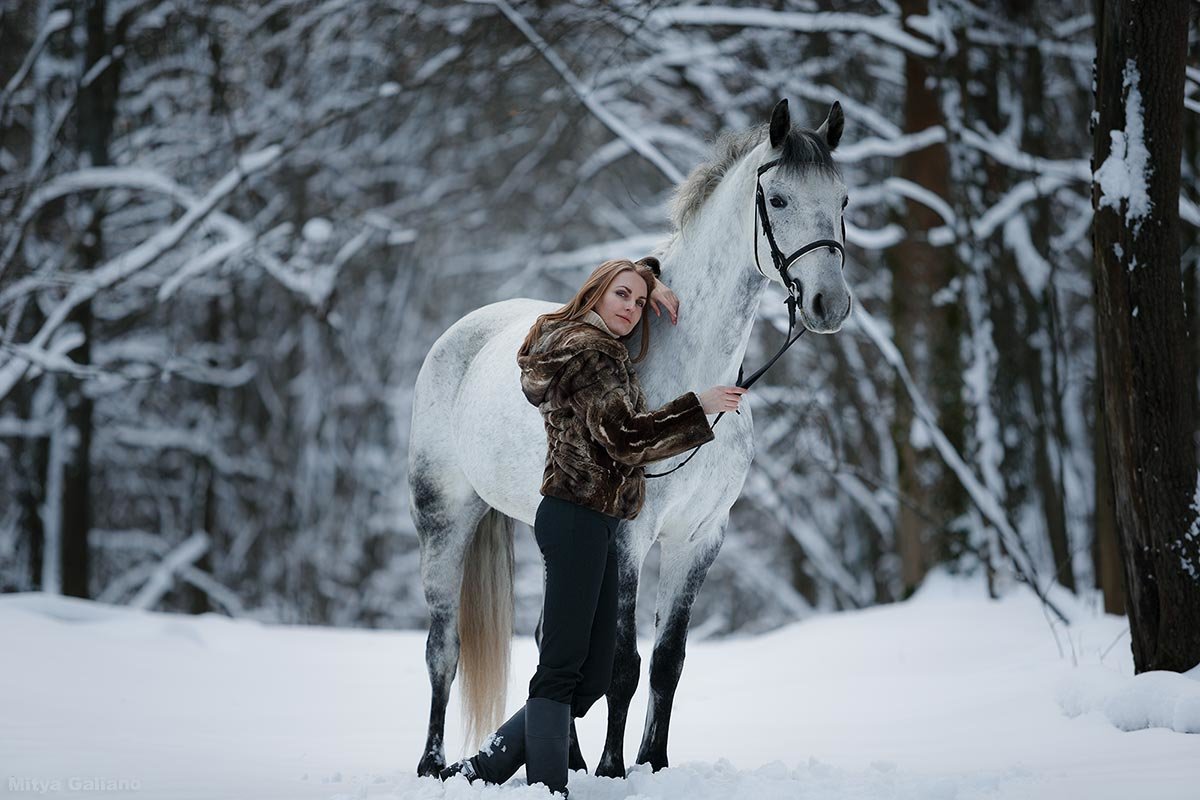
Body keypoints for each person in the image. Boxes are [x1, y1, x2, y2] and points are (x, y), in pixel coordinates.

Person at [438, 257, 747, 796]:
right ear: (595, 296)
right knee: (560, 669)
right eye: (620, 297)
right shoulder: (591, 354)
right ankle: (546, 788)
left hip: (601, 522)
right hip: (574, 519)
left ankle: (487, 766)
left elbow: (628, 279)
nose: (630, 309)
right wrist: (699, 408)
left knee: (596, 674)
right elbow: (625, 437)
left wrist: (650, 277)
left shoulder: (585, 340)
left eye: (636, 299)